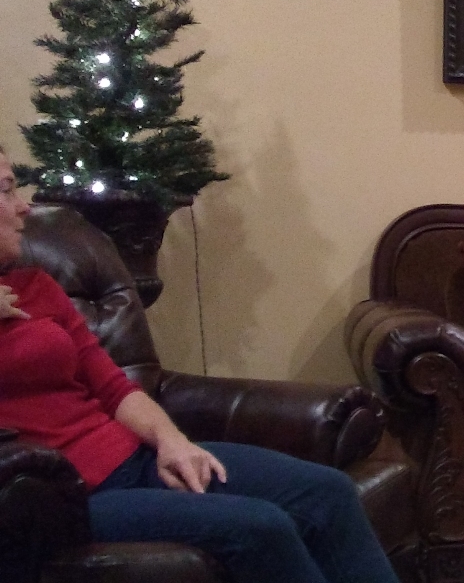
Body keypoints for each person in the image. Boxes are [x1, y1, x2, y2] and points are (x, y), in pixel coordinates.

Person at [0, 146, 401, 583]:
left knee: (328, 492)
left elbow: (114, 387)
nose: (23, 207)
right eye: (6, 190)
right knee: (261, 527)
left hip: (133, 457)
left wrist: (171, 441)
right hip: (68, 499)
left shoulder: (37, 286)